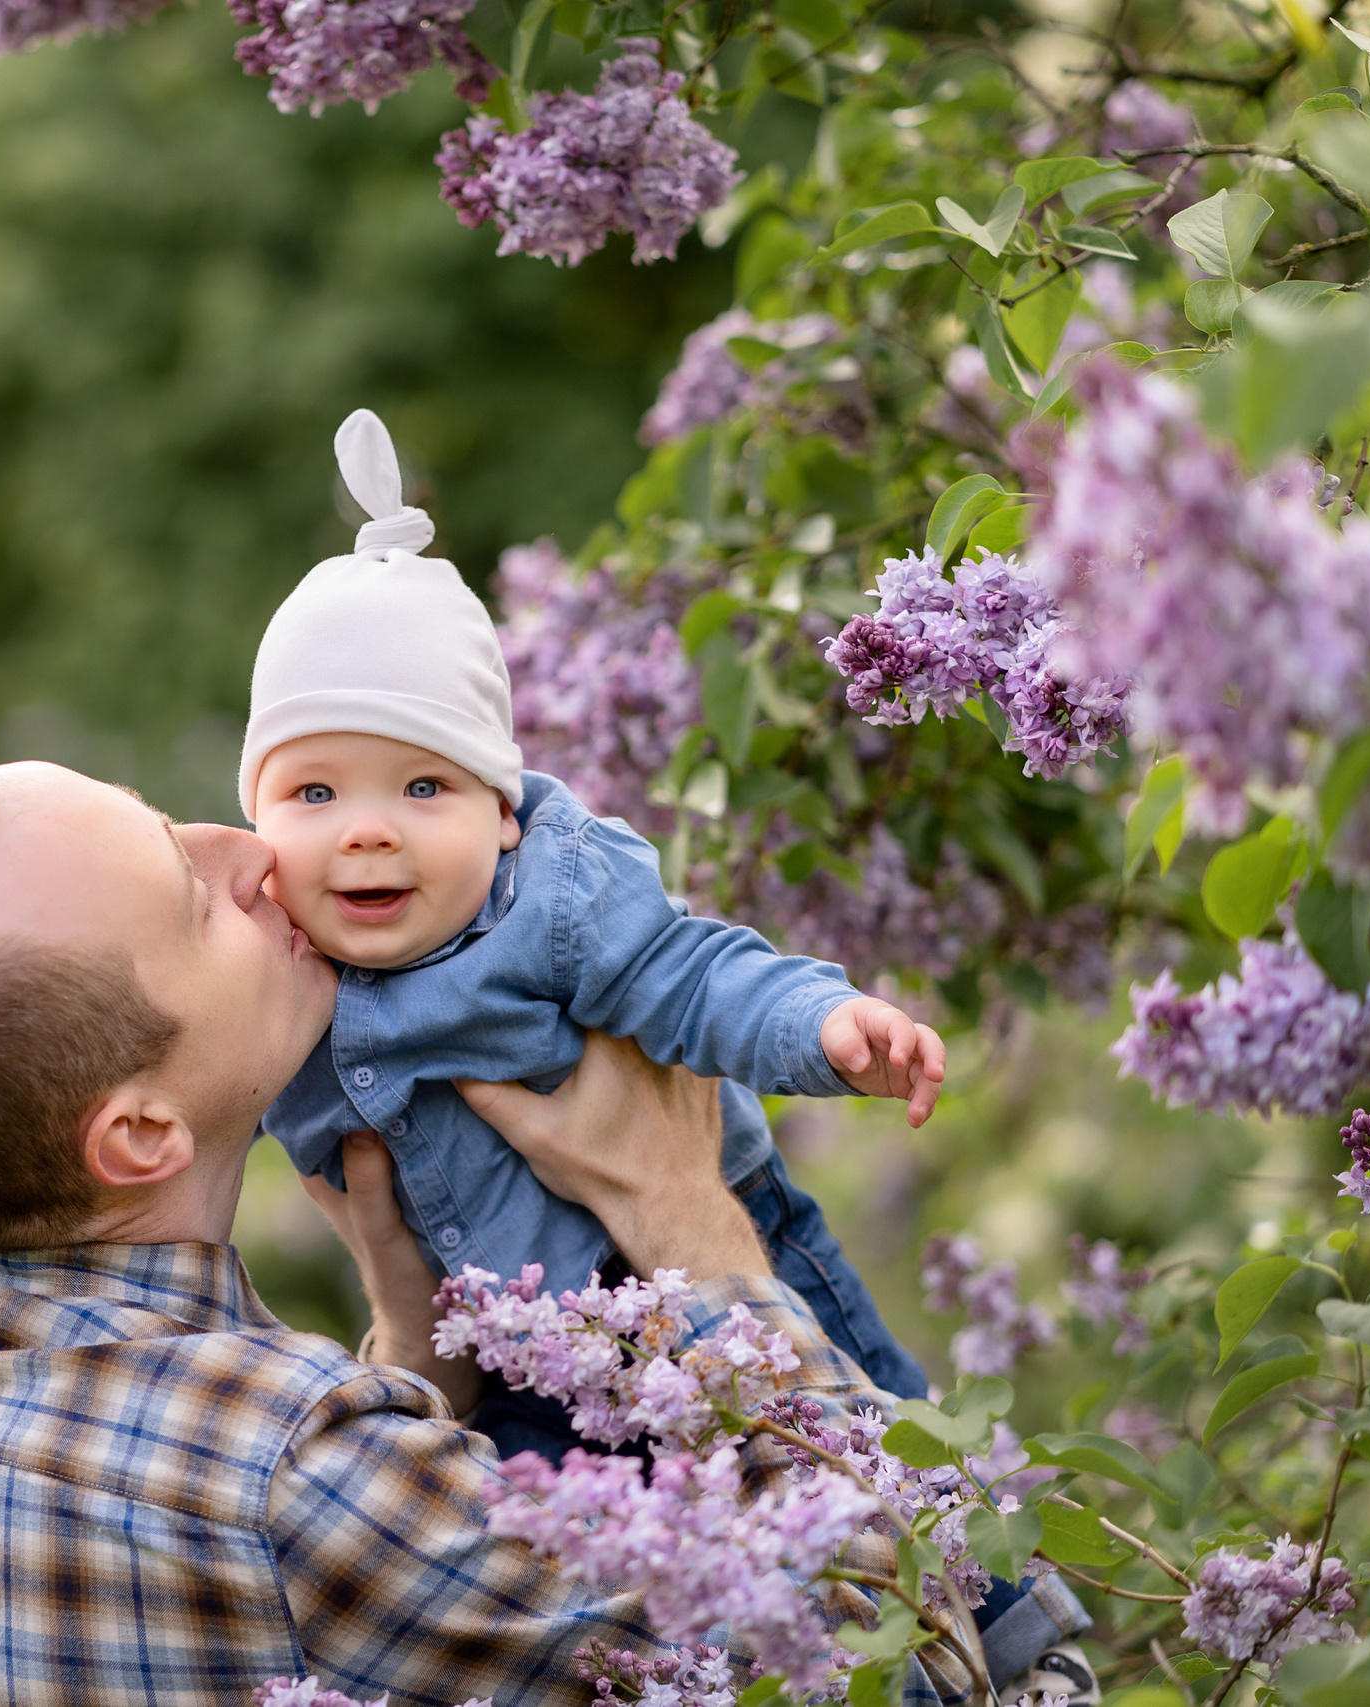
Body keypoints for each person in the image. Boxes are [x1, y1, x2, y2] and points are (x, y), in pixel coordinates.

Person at [0, 762, 1089, 1705]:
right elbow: (897, 1644)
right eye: (191, 892)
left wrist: (408, 1346)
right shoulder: (297, 1479)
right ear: (142, 1132)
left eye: (175, 819)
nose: (255, 849)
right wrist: (699, 1232)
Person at [242, 408, 936, 1471]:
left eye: (424, 785)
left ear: (504, 814)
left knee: (886, 1472)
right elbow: (178, 1091)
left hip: (719, 1262)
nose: (366, 827)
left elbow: (695, 975)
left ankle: (1008, 1622)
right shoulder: (262, 976)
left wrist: (824, 1022)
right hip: (519, 1363)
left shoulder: (550, 899)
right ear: (257, 824)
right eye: (313, 791)